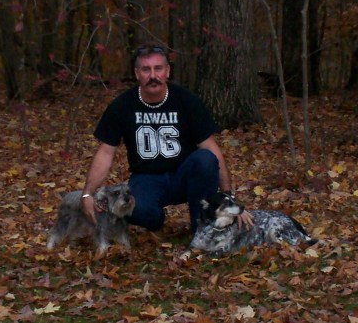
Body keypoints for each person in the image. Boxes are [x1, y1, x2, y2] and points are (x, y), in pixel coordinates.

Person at [81, 42, 253, 233]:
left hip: (184, 175)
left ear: (167, 71)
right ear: (137, 73)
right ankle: (154, 219)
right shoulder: (122, 106)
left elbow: (210, 147)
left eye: (158, 68)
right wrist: (87, 194)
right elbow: (106, 152)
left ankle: (202, 227)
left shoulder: (187, 101)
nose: (153, 76)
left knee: (205, 159)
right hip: (146, 178)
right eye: (146, 69)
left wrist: (229, 196)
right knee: (134, 209)